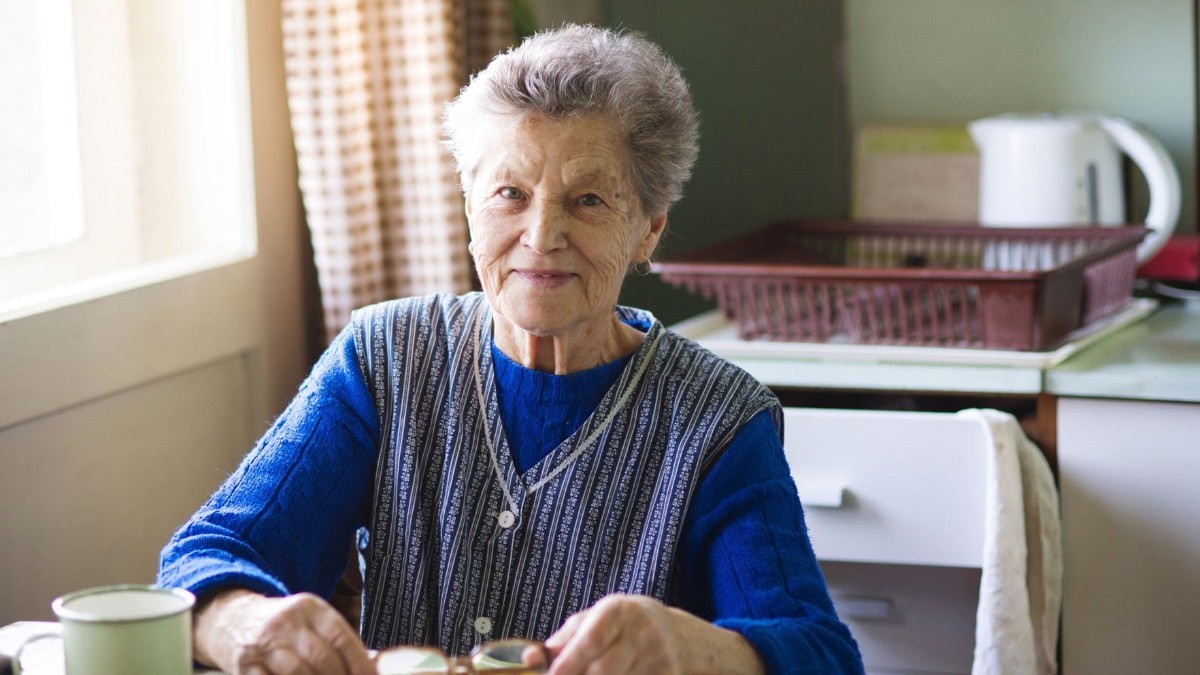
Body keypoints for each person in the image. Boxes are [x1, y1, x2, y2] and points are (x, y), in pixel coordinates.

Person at [158, 24, 864, 675]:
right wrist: (243, 619)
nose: (540, 234)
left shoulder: (716, 420)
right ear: (469, 207)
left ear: (648, 229)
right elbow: (201, 557)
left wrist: (691, 646)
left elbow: (821, 652)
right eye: (510, 192)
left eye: (587, 199)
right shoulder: (384, 359)